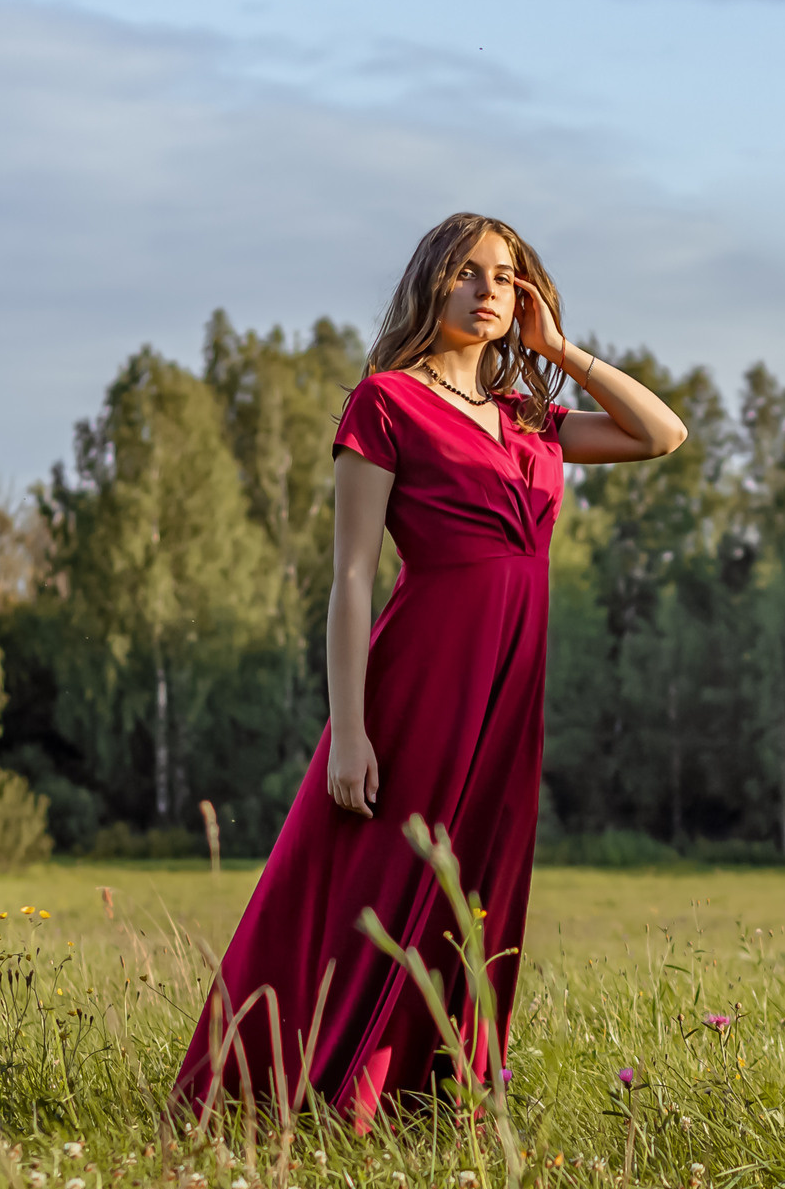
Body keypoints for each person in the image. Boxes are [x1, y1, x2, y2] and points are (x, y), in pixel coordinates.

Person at [174, 213, 688, 1125]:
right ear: (430, 284)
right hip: (424, 675)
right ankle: (284, 1087)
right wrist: (351, 731)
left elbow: (661, 434)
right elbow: (352, 578)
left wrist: (559, 348)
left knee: (479, 886)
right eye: (468, 273)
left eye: (507, 277)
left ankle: (437, 1093)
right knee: (374, 877)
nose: (488, 291)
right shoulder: (385, 402)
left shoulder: (531, 418)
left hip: (512, 682)